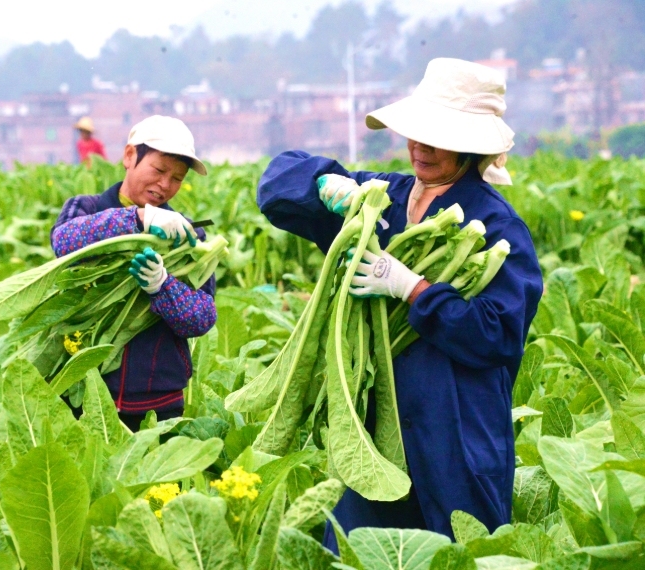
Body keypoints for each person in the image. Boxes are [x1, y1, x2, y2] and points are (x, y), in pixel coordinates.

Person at [256, 58, 543, 543]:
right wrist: (324, 185)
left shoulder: (497, 227)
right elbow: (276, 186)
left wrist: (415, 290)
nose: (420, 148)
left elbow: (497, 336)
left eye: (438, 139)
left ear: (472, 148)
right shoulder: (381, 199)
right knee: (359, 550)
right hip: (372, 431)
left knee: (457, 551)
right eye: (416, 133)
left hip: (455, 433)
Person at [50, 115, 216, 431]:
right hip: (83, 393)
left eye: (177, 178)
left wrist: (163, 286)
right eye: (159, 171)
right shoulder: (86, 208)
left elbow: (202, 317)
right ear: (129, 156)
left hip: (158, 402)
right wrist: (136, 219)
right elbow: (63, 242)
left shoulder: (189, 235)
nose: (166, 185)